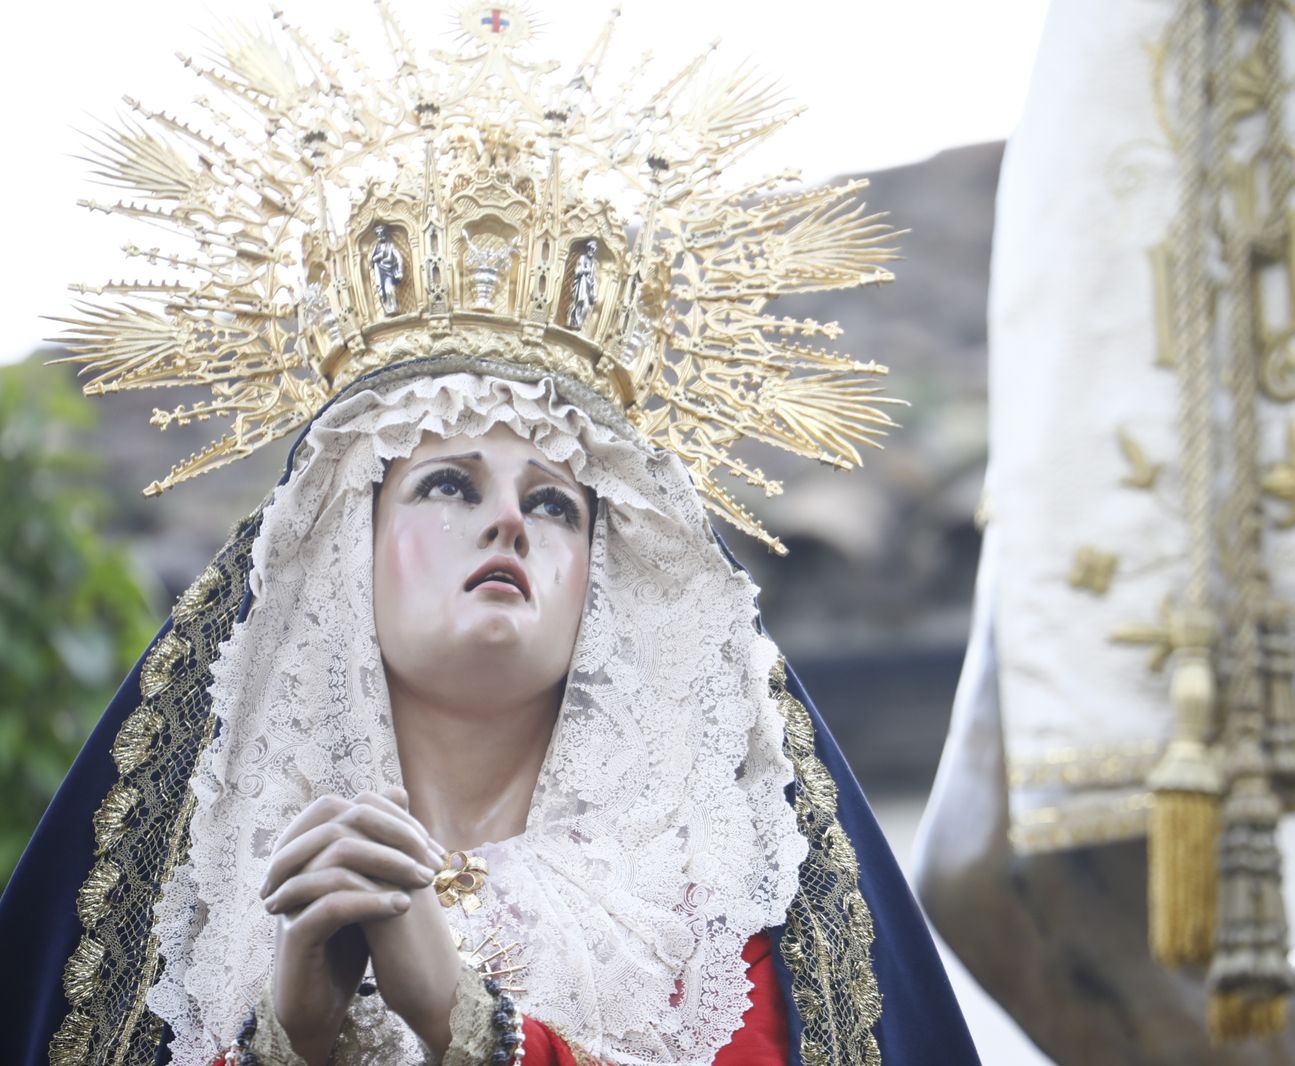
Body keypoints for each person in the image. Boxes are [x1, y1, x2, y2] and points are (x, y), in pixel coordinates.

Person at [0, 8, 980, 1066]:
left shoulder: (714, 910)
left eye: (556, 501)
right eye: (447, 484)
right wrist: (299, 1040)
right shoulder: (203, 912)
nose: (508, 517)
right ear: (342, 556)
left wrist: (469, 1020)